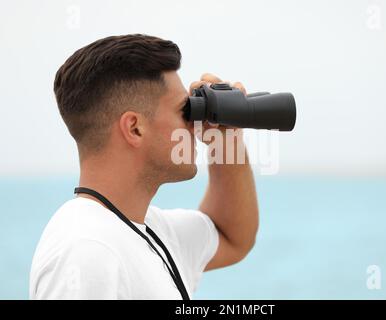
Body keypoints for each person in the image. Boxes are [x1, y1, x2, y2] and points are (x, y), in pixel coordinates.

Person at [29, 34, 259, 299]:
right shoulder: (86, 252)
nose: (194, 124)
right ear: (135, 128)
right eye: (185, 110)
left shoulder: (147, 229)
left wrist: (226, 138)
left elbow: (232, 235)